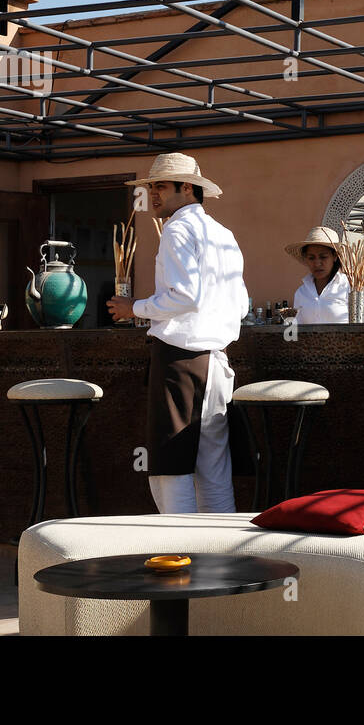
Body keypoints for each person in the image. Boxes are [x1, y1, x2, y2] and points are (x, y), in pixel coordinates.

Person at [105, 152, 248, 514]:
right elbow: (242, 303)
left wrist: (134, 308)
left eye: (161, 186)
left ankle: (181, 555)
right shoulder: (223, 234)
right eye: (151, 187)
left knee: (170, 469)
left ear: (187, 188)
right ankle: (220, 560)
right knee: (213, 469)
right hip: (216, 360)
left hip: (181, 360)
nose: (153, 194)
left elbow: (184, 295)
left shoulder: (178, 229)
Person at [285, 226, 364, 324]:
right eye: (311, 258)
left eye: (323, 257)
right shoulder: (301, 293)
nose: (317, 263)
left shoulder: (352, 287)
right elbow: (296, 327)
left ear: (335, 256)